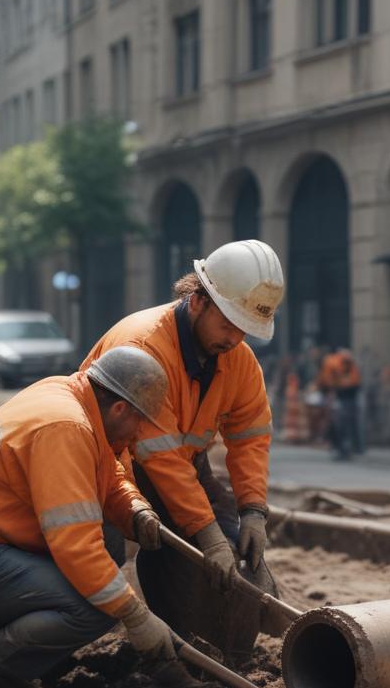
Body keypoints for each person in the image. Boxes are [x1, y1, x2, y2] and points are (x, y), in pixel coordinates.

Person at [0, 347, 175, 688]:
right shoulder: (65, 427)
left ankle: (8, 674)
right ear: (120, 409)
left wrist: (133, 509)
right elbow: (76, 546)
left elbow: (106, 475)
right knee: (94, 606)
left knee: (107, 556)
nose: (141, 434)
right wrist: (135, 614)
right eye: (142, 422)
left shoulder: (74, 398)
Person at [81, 240, 282, 603]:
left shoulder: (238, 358)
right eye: (228, 324)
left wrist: (252, 511)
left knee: (233, 546)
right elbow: (159, 456)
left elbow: (250, 437)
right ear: (198, 300)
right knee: (101, 553)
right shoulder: (144, 348)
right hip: (107, 464)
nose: (235, 339)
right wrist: (207, 535)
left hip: (182, 465)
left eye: (245, 329)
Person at [319, 346, 363, 460]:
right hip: (343, 396)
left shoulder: (332, 362)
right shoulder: (338, 364)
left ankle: (345, 448)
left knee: (341, 424)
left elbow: (327, 381)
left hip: (343, 396)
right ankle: (348, 448)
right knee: (344, 424)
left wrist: (330, 391)